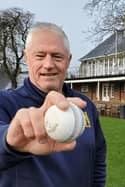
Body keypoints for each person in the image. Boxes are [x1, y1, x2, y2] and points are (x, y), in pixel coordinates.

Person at [0, 22, 106, 187]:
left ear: (68, 60)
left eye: (57, 56)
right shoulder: (5, 102)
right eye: (40, 56)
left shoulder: (85, 106)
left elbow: (98, 161)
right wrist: (10, 141)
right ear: (26, 58)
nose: (48, 65)